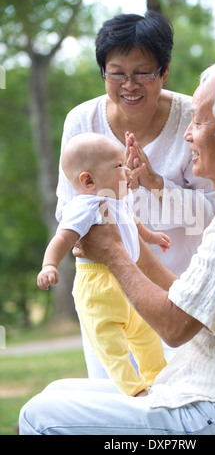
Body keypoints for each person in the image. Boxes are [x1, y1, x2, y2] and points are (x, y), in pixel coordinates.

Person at [19, 58, 215, 435]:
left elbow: (172, 325)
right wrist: (128, 242)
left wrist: (115, 255)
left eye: (199, 121)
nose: (187, 133)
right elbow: (186, 297)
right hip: (213, 394)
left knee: (37, 414)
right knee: (58, 389)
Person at [55, 11, 215, 376]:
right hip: (107, 294)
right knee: (116, 397)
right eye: (117, 73)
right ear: (103, 72)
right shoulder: (82, 122)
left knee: (176, 404)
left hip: (179, 291)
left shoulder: (195, 120)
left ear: (165, 70)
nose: (129, 85)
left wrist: (157, 185)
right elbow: (69, 209)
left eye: (142, 72)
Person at [37, 132, 169, 396]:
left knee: (145, 332)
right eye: (119, 166)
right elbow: (63, 237)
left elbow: (133, 221)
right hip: (98, 286)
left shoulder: (116, 201)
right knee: (112, 346)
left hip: (125, 280)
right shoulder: (85, 205)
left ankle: (159, 378)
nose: (127, 172)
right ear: (88, 180)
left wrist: (151, 237)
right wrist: (49, 265)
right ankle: (134, 389)